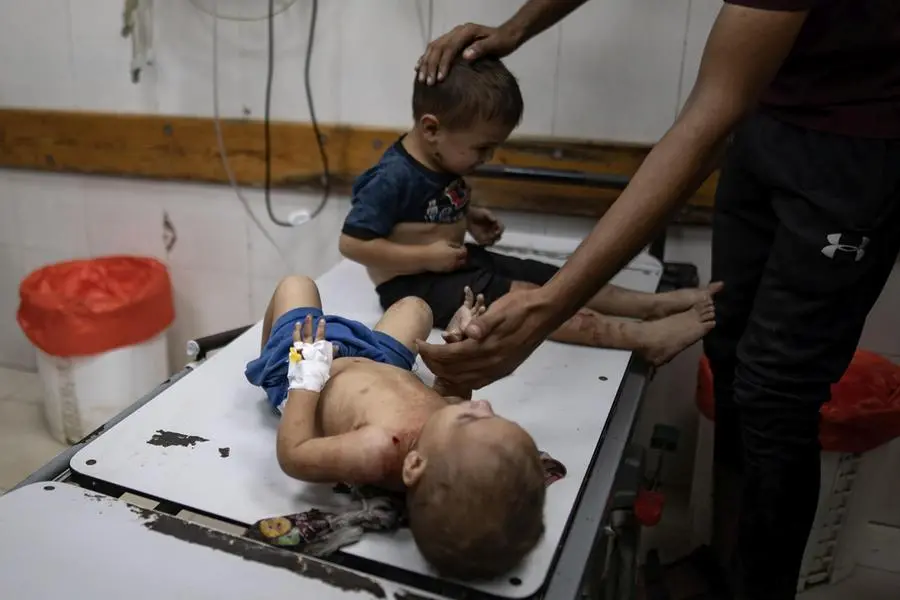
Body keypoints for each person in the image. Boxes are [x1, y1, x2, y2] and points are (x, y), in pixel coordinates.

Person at [414, 1, 900, 599]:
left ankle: (753, 587)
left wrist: (550, 307)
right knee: (729, 354)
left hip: (852, 144)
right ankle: (722, 566)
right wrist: (518, 28)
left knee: (777, 396)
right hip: (770, 119)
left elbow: (710, 114)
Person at [338, 57, 721, 366]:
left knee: (559, 279)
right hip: (413, 286)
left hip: (454, 265)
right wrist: (424, 256)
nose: (487, 158)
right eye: (482, 148)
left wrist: (470, 216)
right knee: (521, 299)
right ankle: (644, 338)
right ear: (432, 128)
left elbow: (427, 209)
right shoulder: (390, 178)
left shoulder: (440, 158)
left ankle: (654, 305)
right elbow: (353, 244)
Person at [243, 276, 545, 580]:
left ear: (414, 465)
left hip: (308, 375)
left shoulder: (377, 449)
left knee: (296, 285)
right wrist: (459, 340)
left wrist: (305, 373)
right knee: (417, 308)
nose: (483, 406)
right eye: (494, 416)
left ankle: (270, 363)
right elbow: (449, 390)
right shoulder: (449, 444)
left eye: (470, 418)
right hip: (380, 361)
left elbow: (294, 454)